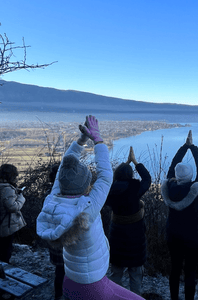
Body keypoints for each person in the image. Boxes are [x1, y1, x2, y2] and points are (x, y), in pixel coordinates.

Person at [36, 115, 144, 300]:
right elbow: (105, 176)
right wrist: (97, 139)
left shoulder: (52, 201)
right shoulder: (86, 210)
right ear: (86, 185)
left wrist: (81, 140)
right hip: (93, 285)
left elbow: (64, 167)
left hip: (70, 281)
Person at [161, 130, 198, 300]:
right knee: (190, 272)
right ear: (190, 177)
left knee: (174, 269)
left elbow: (173, 165)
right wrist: (191, 147)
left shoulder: (169, 188)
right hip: (193, 237)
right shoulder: (195, 189)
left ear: (176, 176)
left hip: (173, 235)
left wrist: (183, 148)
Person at [105, 146, 152, 295]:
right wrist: (135, 162)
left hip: (116, 237)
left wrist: (125, 166)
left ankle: (113, 297)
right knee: (136, 276)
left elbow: (117, 183)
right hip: (135, 240)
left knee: (116, 274)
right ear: (130, 175)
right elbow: (147, 179)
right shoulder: (134, 188)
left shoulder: (109, 190)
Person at [0, 163, 26, 263]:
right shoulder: (7, 189)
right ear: (11, 176)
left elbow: (2, 200)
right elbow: (13, 207)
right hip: (6, 225)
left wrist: (14, 192)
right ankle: (1, 272)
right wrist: (21, 198)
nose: (16, 178)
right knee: (6, 250)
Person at [45, 163, 65, 300]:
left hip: (54, 241)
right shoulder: (67, 197)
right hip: (66, 243)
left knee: (60, 271)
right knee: (67, 272)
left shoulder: (49, 196)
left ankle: (58, 295)